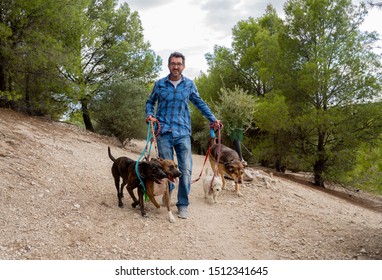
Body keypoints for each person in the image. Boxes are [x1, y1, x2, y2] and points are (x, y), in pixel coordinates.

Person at [145, 52, 221, 219]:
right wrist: (150, 114)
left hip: (183, 133)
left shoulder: (189, 85)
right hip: (163, 131)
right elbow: (150, 101)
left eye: (179, 64)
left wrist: (213, 119)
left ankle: (183, 204)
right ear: (168, 65)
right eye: (173, 63)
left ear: (183, 66)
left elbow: (199, 103)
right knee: (165, 170)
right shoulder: (159, 84)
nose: (176, 66)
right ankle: (167, 197)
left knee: (185, 169)